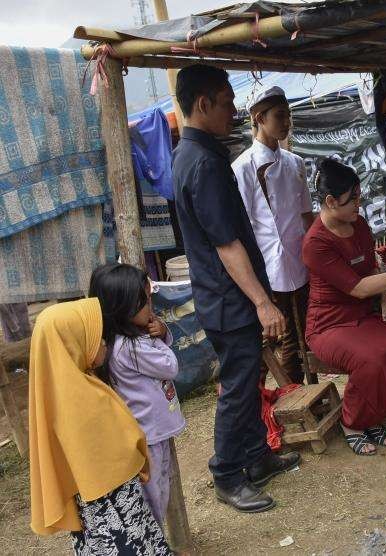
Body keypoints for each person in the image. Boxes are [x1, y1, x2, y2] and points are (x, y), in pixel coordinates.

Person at [172, 64, 299, 513]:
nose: (233, 109)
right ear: (203, 103)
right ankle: (227, 474)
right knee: (239, 387)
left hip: (224, 296)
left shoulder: (197, 154)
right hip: (230, 298)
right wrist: (263, 302)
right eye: (227, 101)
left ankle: (256, 457)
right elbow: (226, 244)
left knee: (249, 379)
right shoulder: (204, 162)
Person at [302, 158, 386, 455]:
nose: (359, 205)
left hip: (362, 316)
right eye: (353, 200)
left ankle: (372, 417)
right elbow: (359, 288)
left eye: (359, 197)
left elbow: (371, 265)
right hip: (328, 326)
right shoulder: (315, 244)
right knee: (370, 359)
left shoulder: (357, 223)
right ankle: (353, 422)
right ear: (330, 201)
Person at [28, 298, 172, 555]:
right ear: (72, 344)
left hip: (101, 506)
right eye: (94, 336)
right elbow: (122, 448)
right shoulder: (84, 399)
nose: (105, 342)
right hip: (113, 506)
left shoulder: (65, 390)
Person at [88, 263, 185, 527]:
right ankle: (153, 543)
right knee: (156, 497)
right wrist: (160, 336)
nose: (150, 307)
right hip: (149, 435)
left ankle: (155, 541)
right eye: (144, 302)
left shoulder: (121, 341)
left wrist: (161, 334)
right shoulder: (130, 346)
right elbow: (170, 366)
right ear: (123, 308)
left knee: (158, 492)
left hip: (149, 432)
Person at [232, 86, 313, 384]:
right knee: (269, 340)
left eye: (288, 116)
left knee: (299, 336)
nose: (286, 122)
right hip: (267, 266)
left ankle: (294, 395)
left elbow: (306, 215)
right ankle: (266, 402)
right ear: (258, 118)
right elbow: (242, 227)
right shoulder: (242, 168)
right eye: (279, 116)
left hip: (299, 260)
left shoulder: (295, 163)